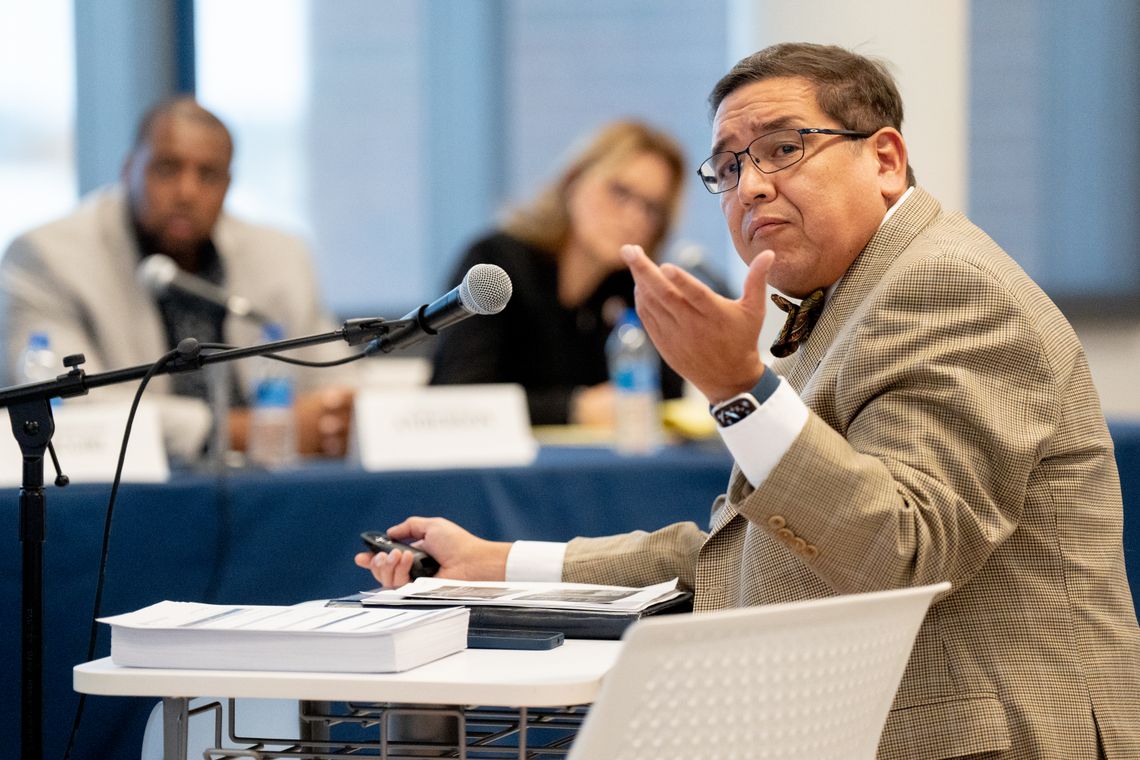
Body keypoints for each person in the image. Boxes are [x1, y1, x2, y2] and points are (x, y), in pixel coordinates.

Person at [358, 43, 1140, 758]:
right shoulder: (851, 299)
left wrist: (740, 391)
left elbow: (902, 547)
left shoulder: (943, 285)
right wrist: (497, 564)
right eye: (727, 168)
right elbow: (742, 551)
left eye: (783, 148)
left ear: (887, 160)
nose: (750, 185)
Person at [0, 97, 354, 461]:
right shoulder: (46, 257)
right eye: (167, 169)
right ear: (128, 170)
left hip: (269, 485)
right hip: (125, 492)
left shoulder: (281, 255)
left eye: (208, 175)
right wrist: (236, 432)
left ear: (228, 184)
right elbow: (61, 407)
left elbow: (332, 383)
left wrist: (331, 416)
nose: (187, 192)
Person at [428, 120, 687, 426]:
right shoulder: (496, 264)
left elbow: (665, 398)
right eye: (621, 192)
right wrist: (573, 409)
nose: (634, 217)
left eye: (652, 208)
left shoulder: (632, 289)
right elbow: (458, 399)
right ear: (573, 181)